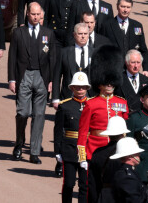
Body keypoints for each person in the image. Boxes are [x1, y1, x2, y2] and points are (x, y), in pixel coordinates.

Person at [8, 2, 56, 164]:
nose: (36, 17)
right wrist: (12, 79)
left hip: (42, 77)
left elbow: (52, 60)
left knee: (39, 114)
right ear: (28, 14)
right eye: (33, 14)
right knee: (22, 112)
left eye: (38, 15)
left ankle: (34, 151)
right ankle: (19, 143)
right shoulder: (18, 33)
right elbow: (12, 57)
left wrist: (51, 82)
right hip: (24, 76)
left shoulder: (48, 33)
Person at [77, 45, 129, 170]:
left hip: (116, 149)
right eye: (106, 82)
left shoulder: (122, 103)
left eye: (112, 82)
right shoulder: (91, 104)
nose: (110, 85)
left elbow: (126, 130)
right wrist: (82, 156)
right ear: (99, 83)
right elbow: (83, 132)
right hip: (95, 148)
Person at [54, 71, 91, 203]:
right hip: (69, 148)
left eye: (83, 87)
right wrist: (57, 151)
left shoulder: (92, 104)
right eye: (77, 87)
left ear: (87, 88)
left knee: (84, 184)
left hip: (86, 148)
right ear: (72, 88)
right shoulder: (64, 106)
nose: (80, 90)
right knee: (69, 183)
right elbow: (58, 130)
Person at [100, 0, 148, 75]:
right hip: (113, 70)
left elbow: (143, 49)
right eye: (123, 6)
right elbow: (101, 49)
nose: (125, 10)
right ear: (117, 6)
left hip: (132, 70)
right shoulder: (107, 25)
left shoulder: (137, 26)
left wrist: (146, 69)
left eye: (128, 7)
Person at [88, 116, 130, 203]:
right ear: (123, 134)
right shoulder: (128, 153)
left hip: (104, 196)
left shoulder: (97, 153)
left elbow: (92, 183)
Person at [52, 23, 93, 107]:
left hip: (90, 97)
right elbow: (57, 76)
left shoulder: (95, 53)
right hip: (68, 96)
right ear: (74, 35)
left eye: (85, 34)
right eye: (80, 33)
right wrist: (55, 98)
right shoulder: (64, 52)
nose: (83, 36)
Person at [110, 137, 148, 203]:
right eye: (136, 153)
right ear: (129, 156)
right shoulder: (127, 177)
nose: (139, 155)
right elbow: (134, 200)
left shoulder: (128, 172)